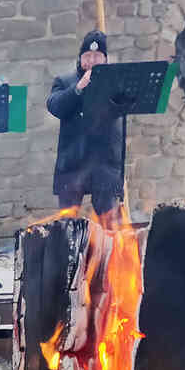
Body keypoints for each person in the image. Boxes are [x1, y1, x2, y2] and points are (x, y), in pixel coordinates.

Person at [46, 30, 125, 227]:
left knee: (110, 225)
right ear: (80, 58)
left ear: (105, 59)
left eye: (97, 56)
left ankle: (109, 257)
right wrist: (79, 88)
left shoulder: (117, 82)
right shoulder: (65, 82)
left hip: (105, 164)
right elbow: (55, 106)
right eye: (87, 56)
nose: (92, 60)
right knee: (67, 225)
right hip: (73, 163)